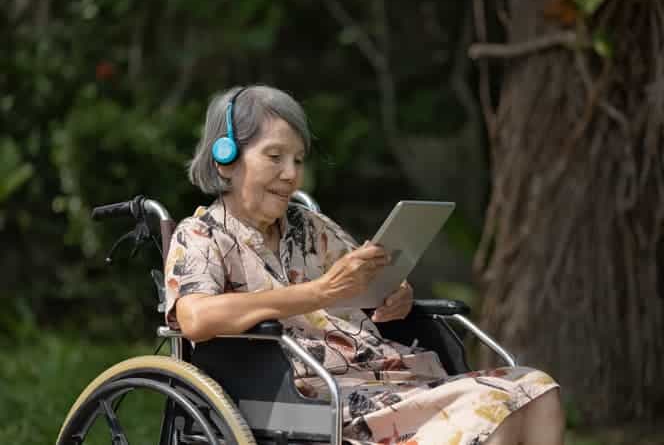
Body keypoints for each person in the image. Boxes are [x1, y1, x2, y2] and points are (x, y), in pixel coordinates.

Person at [164, 85, 565, 445]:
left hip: (388, 374)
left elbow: (365, 280)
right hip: (318, 395)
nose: (291, 175)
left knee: (536, 388)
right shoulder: (200, 235)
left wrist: (396, 294)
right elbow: (196, 317)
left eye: (298, 160)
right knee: (489, 409)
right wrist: (316, 293)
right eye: (275, 157)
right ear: (225, 159)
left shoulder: (310, 226)